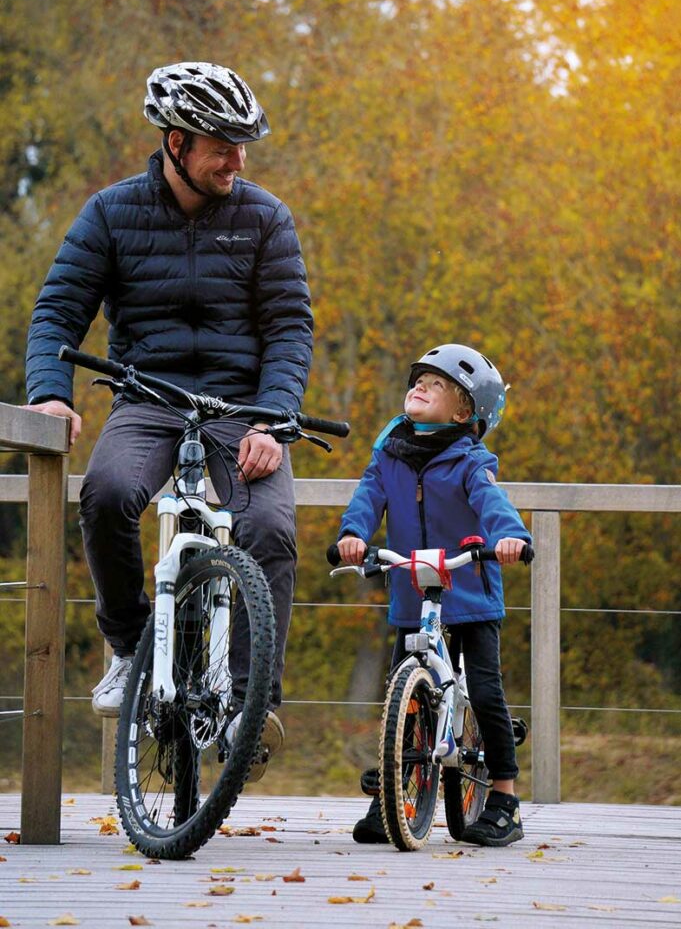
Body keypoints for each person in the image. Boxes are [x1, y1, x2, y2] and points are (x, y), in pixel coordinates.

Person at [24, 62, 314, 778]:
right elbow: (59, 309)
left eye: (244, 146)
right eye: (223, 145)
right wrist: (51, 393)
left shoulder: (264, 218)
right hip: (146, 400)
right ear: (177, 142)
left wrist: (272, 423)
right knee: (108, 494)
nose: (237, 161)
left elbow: (288, 329)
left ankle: (251, 711)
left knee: (270, 529)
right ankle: (128, 647)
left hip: (242, 409)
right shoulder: (111, 212)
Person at [336, 343, 531, 845]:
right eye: (417, 379)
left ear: (464, 410)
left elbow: (492, 501)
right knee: (403, 698)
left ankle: (505, 800)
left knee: (485, 692)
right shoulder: (390, 454)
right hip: (412, 594)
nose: (419, 386)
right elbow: (367, 496)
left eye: (436, 383)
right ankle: (393, 801)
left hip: (470, 594)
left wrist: (511, 538)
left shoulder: (470, 461)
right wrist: (353, 536)